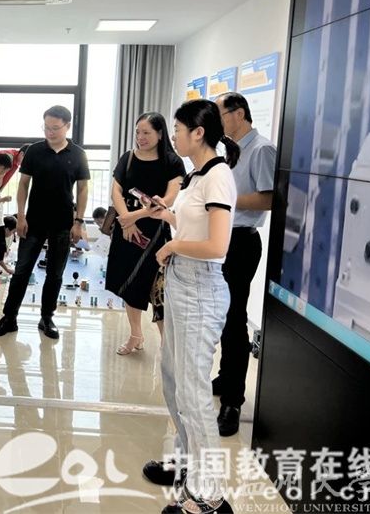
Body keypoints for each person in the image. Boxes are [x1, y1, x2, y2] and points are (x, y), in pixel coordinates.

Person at [142, 99, 239, 514]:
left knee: (194, 394)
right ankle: (187, 465)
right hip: (183, 284)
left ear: (198, 133)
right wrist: (167, 214)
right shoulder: (197, 175)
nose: (174, 137)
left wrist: (173, 246)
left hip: (201, 287)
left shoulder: (218, 176)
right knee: (174, 381)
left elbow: (217, 246)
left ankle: (209, 494)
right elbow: (193, 223)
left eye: (178, 130)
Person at [0, 105, 90, 340]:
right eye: (46, 127)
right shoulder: (35, 151)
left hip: (63, 223)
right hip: (34, 221)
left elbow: (83, 188)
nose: (49, 132)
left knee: (55, 274)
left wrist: (78, 222)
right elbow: (23, 184)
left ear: (67, 126)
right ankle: (9, 317)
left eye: (55, 128)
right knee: (22, 270)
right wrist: (21, 216)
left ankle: (47, 318)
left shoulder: (78, 154)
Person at [212, 92, 276, 436]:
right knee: (224, 316)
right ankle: (225, 377)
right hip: (223, 240)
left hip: (242, 242)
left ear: (238, 114)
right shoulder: (232, 150)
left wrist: (224, 199)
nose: (217, 121)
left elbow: (267, 198)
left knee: (235, 319)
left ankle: (233, 401)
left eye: (220, 114)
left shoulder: (261, 149)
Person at [105, 112, 185, 354]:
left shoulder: (172, 161)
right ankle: (135, 335)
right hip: (126, 230)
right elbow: (116, 192)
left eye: (146, 132)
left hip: (155, 231)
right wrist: (126, 222)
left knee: (157, 287)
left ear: (160, 134)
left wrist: (134, 217)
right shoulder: (128, 157)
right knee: (128, 284)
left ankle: (166, 344)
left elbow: (168, 199)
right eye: (137, 132)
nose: (140, 137)